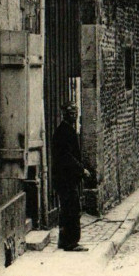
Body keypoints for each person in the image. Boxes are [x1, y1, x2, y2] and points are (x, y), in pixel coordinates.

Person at [52, 101, 91, 252]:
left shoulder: (66, 130)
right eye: (70, 113)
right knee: (73, 209)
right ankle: (71, 243)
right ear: (64, 114)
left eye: (75, 112)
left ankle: (63, 240)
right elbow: (66, 157)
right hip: (65, 178)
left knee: (66, 209)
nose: (74, 115)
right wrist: (82, 170)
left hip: (65, 178)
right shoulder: (64, 131)